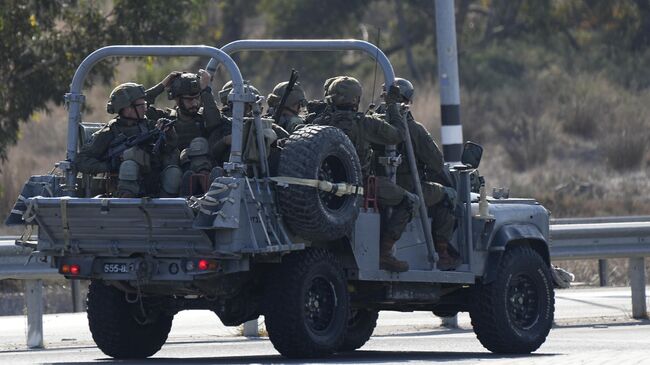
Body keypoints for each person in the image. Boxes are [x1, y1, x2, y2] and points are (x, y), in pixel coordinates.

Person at [312, 76, 416, 272]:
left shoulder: (318, 122)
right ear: (356, 100)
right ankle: (385, 254)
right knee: (410, 201)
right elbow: (398, 134)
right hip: (362, 186)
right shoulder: (364, 123)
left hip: (326, 188)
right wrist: (392, 106)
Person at [375, 78, 460, 270]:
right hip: (409, 187)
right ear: (408, 100)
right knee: (448, 196)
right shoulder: (413, 129)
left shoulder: (372, 122)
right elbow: (437, 163)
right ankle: (443, 253)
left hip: (378, 187)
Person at [75, 83, 180, 197]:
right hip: (123, 191)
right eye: (141, 105)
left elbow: (170, 148)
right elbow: (81, 161)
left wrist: (169, 133)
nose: (145, 109)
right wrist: (111, 165)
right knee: (129, 165)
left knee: (173, 173)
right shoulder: (109, 132)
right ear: (127, 108)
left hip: (154, 185)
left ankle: (168, 208)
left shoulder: (149, 126)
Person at [145, 70, 222, 177]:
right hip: (172, 176)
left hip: (202, 175)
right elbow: (140, 106)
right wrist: (162, 85)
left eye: (197, 98)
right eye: (189, 100)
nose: (195, 103)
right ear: (177, 99)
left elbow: (215, 121)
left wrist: (206, 91)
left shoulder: (205, 117)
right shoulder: (167, 118)